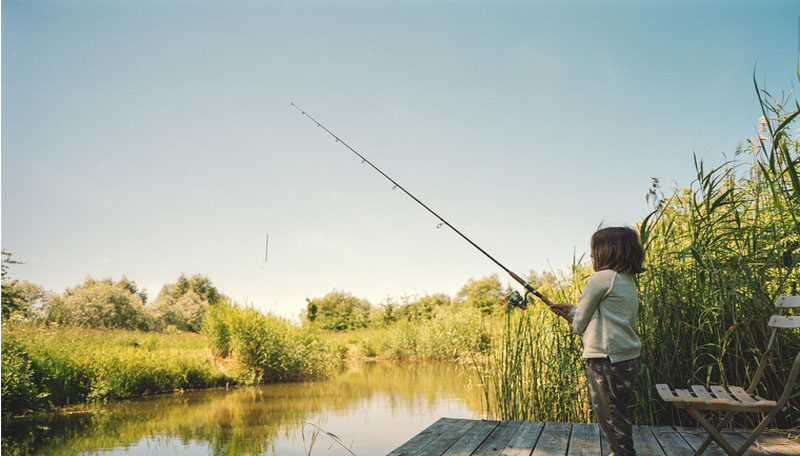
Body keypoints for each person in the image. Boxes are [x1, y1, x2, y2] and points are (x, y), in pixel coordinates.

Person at [549, 226, 646, 456]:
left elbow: (581, 323)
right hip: (626, 359)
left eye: (595, 250)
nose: (592, 255)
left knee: (610, 416)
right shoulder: (625, 279)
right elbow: (605, 314)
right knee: (618, 411)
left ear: (610, 250)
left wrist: (574, 318)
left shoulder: (601, 277)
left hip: (605, 359)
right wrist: (571, 309)